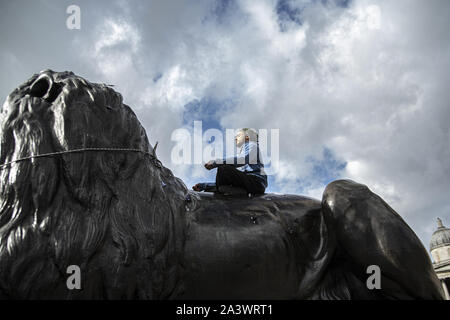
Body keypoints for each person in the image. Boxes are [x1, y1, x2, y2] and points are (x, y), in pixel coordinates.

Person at [192, 128, 268, 195]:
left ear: (247, 137)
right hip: (249, 183)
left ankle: (233, 193)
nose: (235, 138)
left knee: (224, 169)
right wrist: (204, 185)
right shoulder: (245, 152)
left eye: (238, 136)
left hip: (256, 182)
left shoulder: (252, 144)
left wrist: (216, 162)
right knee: (219, 183)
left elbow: (243, 159)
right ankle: (237, 192)